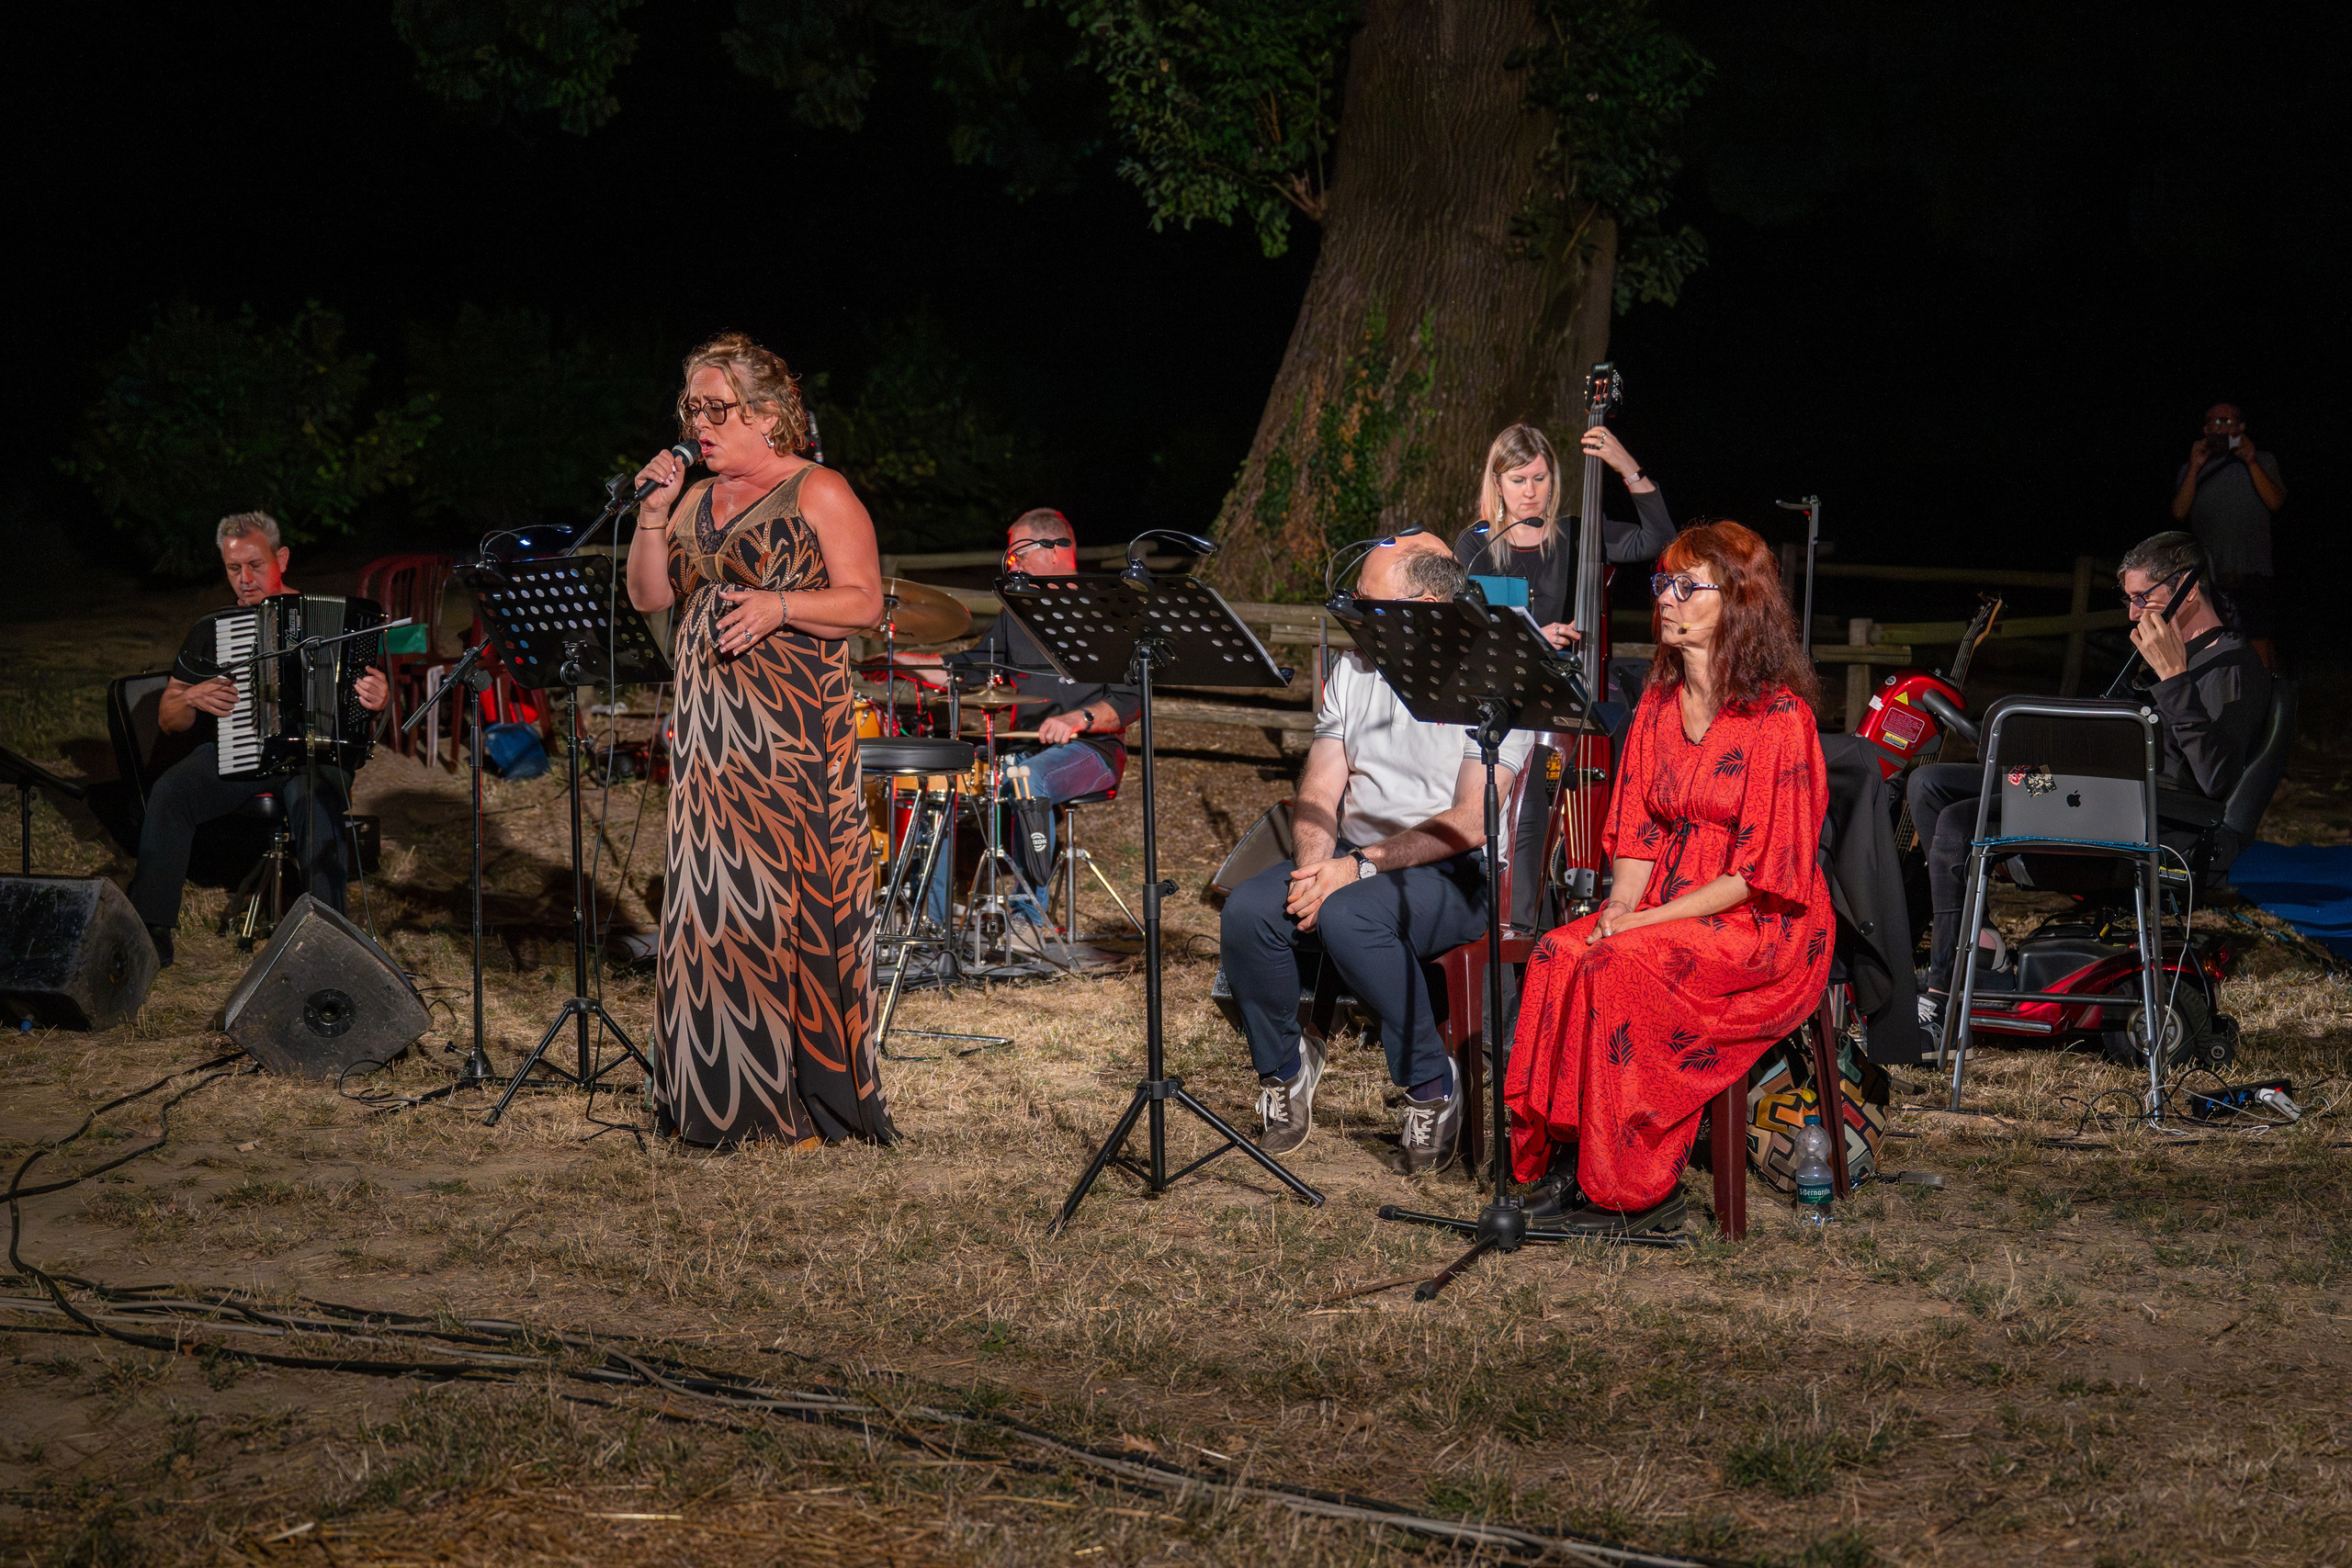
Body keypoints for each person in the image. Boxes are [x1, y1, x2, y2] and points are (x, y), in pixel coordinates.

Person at [1504, 520, 1833, 1236]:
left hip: (1762, 926)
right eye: (1663, 585)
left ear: (1738, 600)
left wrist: (1639, 925)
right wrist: (1620, 905)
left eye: (1689, 587)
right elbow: (1639, 831)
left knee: (1621, 964)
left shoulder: (1782, 720)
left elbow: (1760, 874)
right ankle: (1574, 1158)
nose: (1668, 600)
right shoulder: (1656, 705)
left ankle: (1638, 1195)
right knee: (1564, 953)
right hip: (1663, 901)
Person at [626, 333, 893, 1149]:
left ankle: (805, 1100)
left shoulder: (819, 490)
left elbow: (866, 602)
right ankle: (723, 1101)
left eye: (717, 410)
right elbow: (648, 597)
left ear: (769, 416)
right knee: (713, 904)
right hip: (710, 732)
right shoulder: (696, 499)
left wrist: (780, 606)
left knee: (789, 907)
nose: (699, 426)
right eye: (691, 410)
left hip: (793, 735)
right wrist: (651, 513)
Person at [1221, 536, 1535, 1175]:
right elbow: (1319, 786)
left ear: (1425, 603)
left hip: (1452, 870)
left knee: (1350, 916)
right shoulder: (1355, 669)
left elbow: (1473, 820)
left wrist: (1357, 867)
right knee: (1249, 911)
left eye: (1368, 600)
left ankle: (1431, 1083)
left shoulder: (1494, 669)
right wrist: (1316, 867)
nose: (1354, 612)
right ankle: (1285, 1070)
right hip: (1348, 859)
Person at [1905, 531, 2272, 1027]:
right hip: (2083, 793)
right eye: (2129, 599)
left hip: (2143, 817)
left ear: (2186, 587)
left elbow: (2214, 778)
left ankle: (1942, 988)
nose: (2133, 613)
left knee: (1958, 822)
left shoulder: (2235, 665)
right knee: (1932, 785)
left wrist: (2175, 679)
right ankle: (1983, 940)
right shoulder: (2161, 660)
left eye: (2144, 598)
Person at [128, 512, 389, 965]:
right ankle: (151, 931)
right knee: (171, 791)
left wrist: (377, 697)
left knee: (315, 798)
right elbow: (169, 718)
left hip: (314, 754)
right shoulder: (213, 629)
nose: (245, 580)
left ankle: (329, 940)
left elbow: (370, 705)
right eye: (233, 569)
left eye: (255, 565)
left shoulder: (331, 618)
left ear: (281, 558)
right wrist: (190, 696)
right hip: (241, 747)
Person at [1449, 423, 1677, 930]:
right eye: (1518, 480)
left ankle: (1619, 886)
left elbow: (1660, 541)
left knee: (1622, 740)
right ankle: (1517, 924)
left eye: (1540, 478)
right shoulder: (1476, 545)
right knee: (1529, 797)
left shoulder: (1577, 534)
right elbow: (1474, 630)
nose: (1531, 491)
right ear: (1498, 483)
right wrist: (1533, 637)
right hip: (1509, 687)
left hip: (1572, 685)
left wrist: (1625, 466)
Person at [891, 509, 1142, 927]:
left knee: (1029, 779)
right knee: (937, 781)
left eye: (1019, 552)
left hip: (1092, 751)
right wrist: (902, 660)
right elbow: (970, 667)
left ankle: (1030, 918)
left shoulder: (1109, 610)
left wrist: (1079, 718)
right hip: (1021, 748)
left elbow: (1130, 699)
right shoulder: (1018, 615)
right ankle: (929, 922)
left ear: (1058, 548)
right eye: (1010, 555)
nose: (1013, 563)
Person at [2170, 402, 2284, 668]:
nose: (2223, 427)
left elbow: (2276, 502)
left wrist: (2251, 460)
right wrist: (2195, 466)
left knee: (2259, 644)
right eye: (2216, 422)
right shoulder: (2191, 467)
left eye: (2229, 421)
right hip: (2208, 575)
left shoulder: (2264, 460)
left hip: (2253, 569)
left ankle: (2265, 702)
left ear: (2241, 427)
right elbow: (2179, 511)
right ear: (2206, 429)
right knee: (2211, 644)